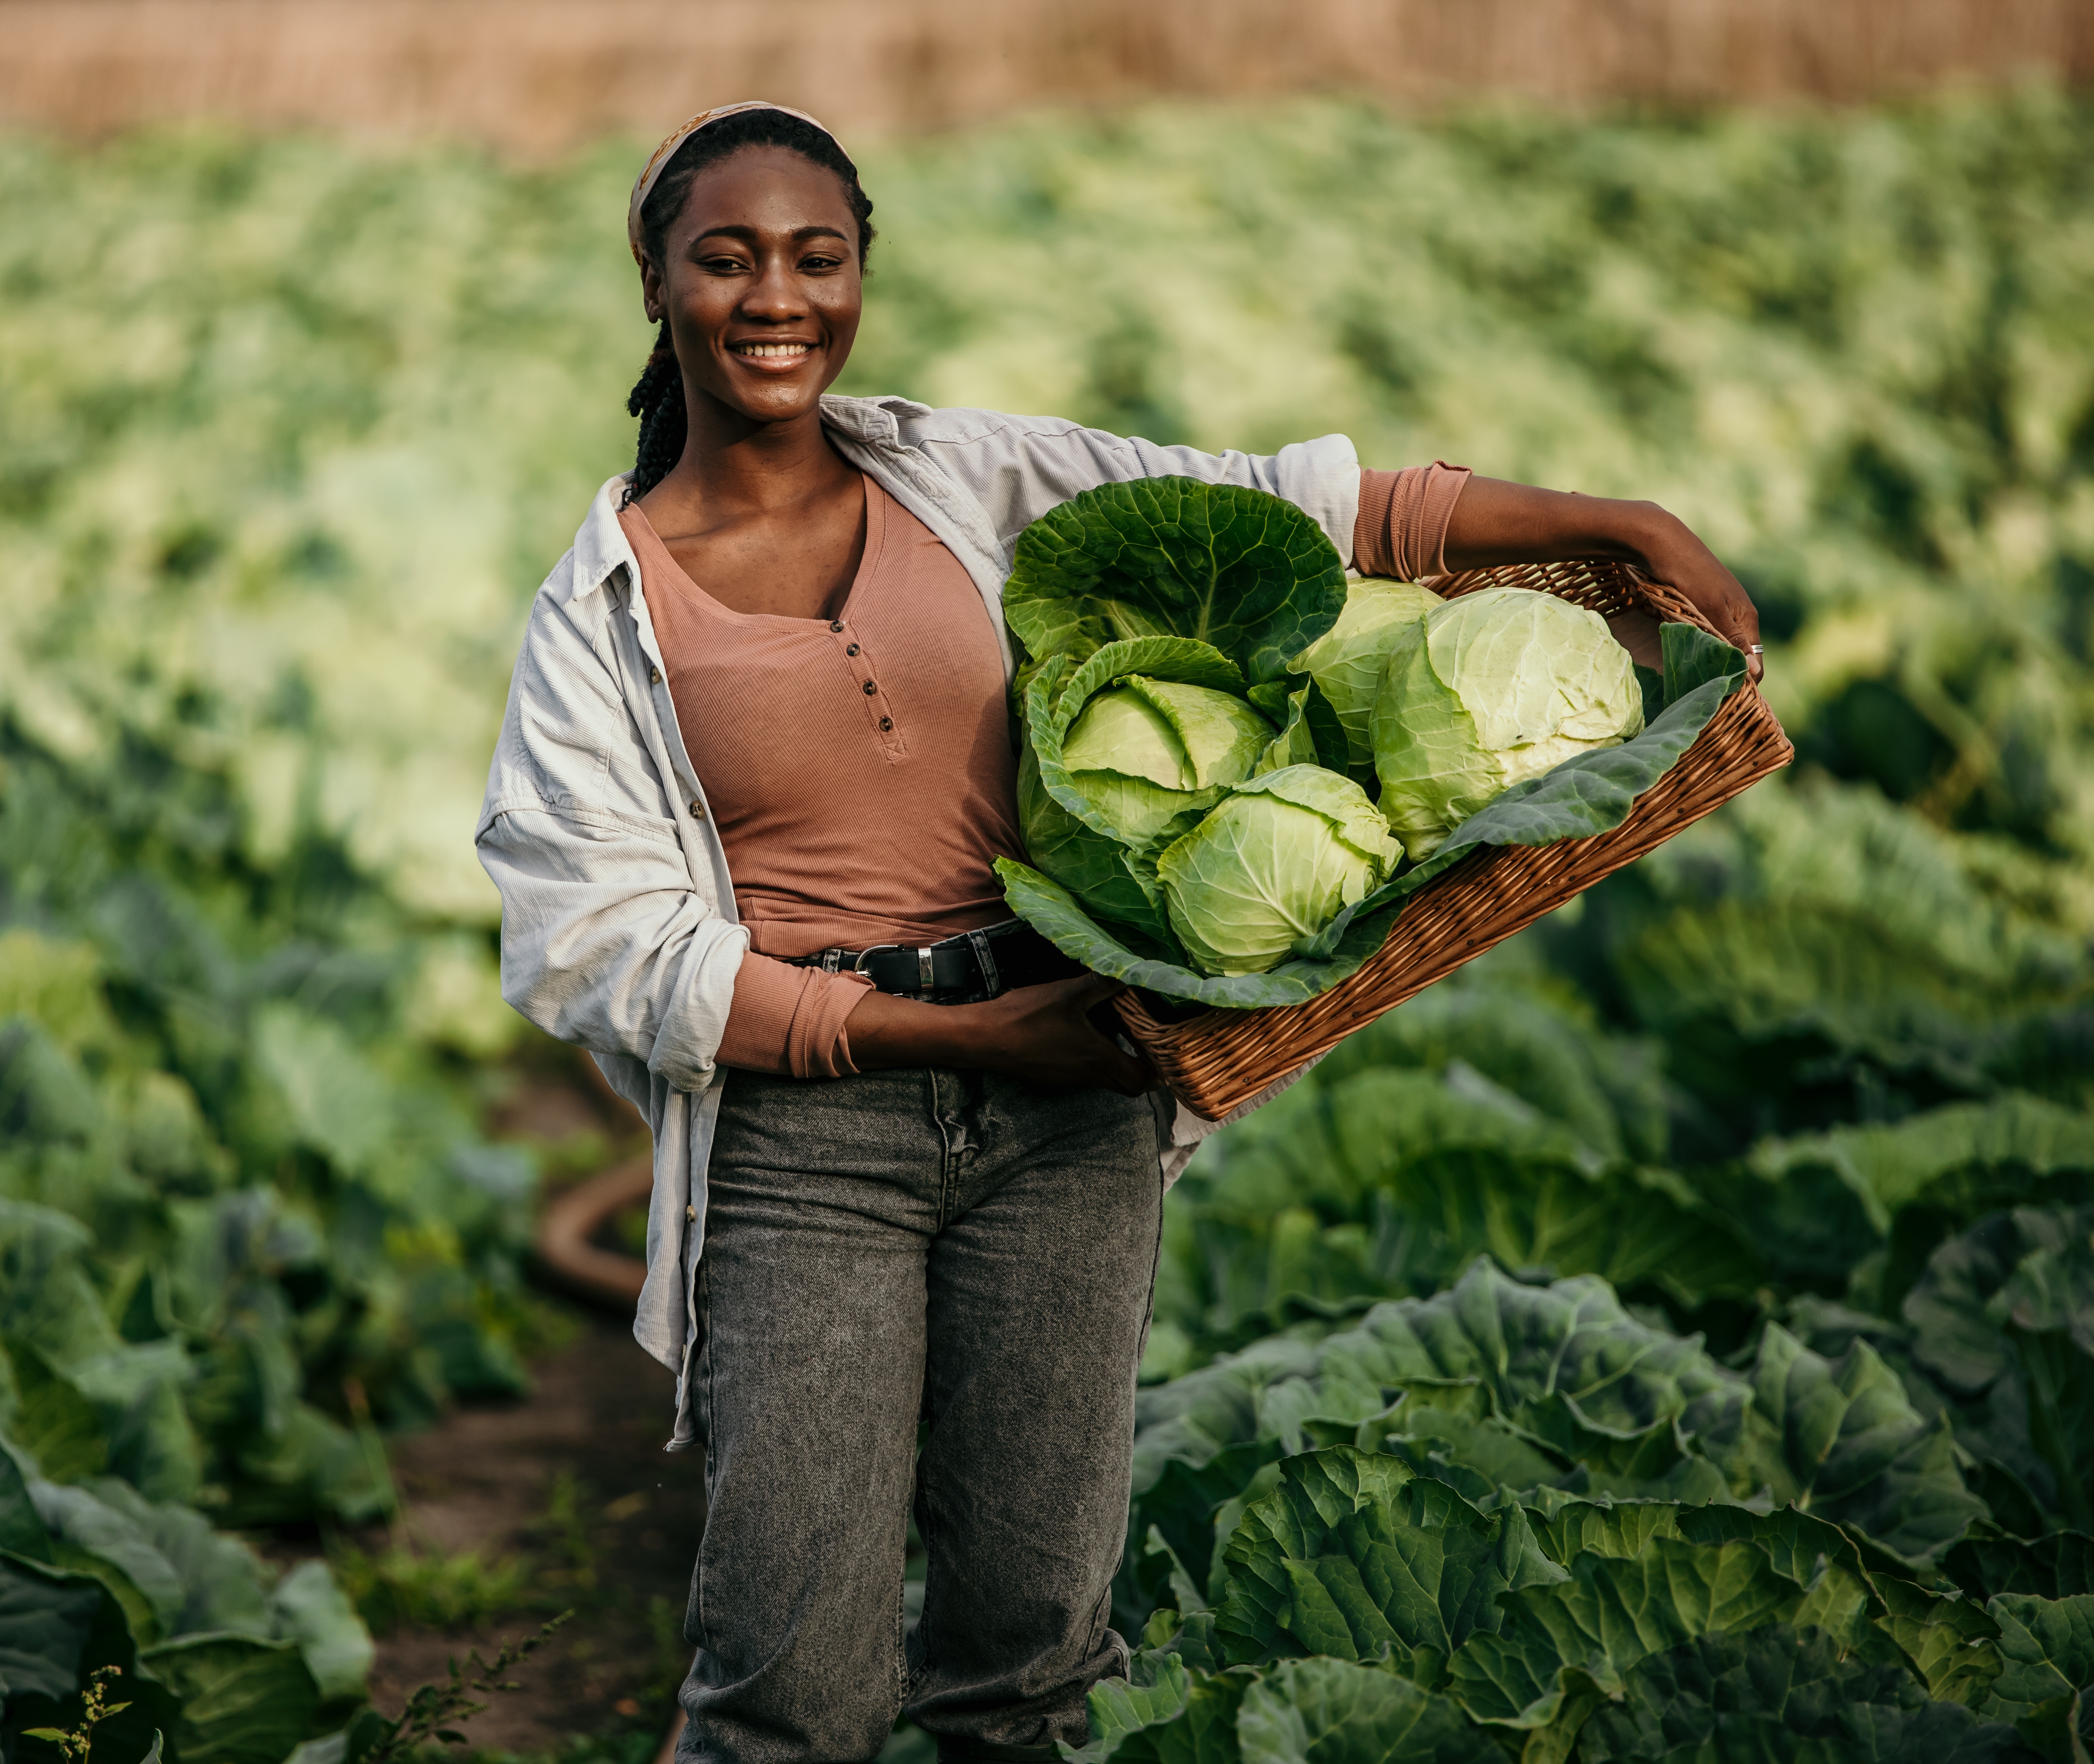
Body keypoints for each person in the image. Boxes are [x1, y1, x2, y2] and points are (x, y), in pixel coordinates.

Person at [475, 101, 1761, 1763]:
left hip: (1074, 1101)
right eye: (724, 258)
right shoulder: (605, 609)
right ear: (655, 282)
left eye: (817, 255)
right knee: (793, 1689)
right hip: (810, 1144)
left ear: (861, 273)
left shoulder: (973, 472)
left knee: (1030, 1665)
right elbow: (600, 944)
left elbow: (1295, 511)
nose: (774, 298)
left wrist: (1623, 527)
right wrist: (947, 1037)